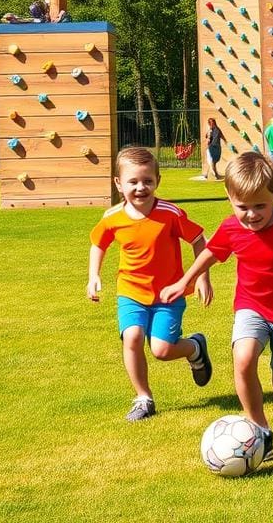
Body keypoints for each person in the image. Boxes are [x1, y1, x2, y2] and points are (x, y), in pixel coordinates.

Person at [160, 152, 273, 459]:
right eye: (242, 207)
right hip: (251, 306)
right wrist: (186, 280)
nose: (251, 215)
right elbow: (211, 253)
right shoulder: (232, 228)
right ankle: (260, 431)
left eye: (260, 206)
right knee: (243, 359)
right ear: (229, 197)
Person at [87, 146, 214, 422]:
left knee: (162, 350)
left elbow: (198, 240)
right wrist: (93, 275)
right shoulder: (112, 217)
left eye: (147, 181)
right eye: (133, 181)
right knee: (132, 337)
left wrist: (201, 277)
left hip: (168, 294)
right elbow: (98, 244)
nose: (140, 188)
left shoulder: (170, 213)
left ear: (158, 181)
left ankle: (194, 348)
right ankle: (143, 397)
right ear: (118, 183)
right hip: (130, 291)